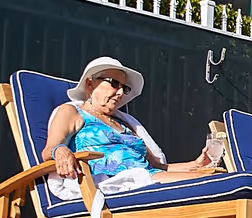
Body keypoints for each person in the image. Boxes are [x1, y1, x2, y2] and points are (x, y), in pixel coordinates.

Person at [43, 56, 216, 200]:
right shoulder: (73, 112)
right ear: (90, 84)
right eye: (114, 83)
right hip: (118, 184)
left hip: (148, 177)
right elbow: (49, 149)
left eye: (123, 88)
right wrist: (61, 151)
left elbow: (158, 166)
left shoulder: (125, 124)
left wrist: (195, 164)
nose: (120, 92)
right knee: (210, 182)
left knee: (211, 176)